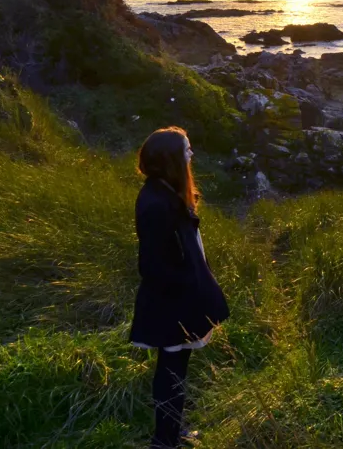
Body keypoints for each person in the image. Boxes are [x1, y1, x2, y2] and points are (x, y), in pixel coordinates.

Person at [130, 127, 229, 448]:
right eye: (186, 150)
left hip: (180, 300)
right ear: (170, 159)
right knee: (171, 371)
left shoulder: (166, 191)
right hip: (173, 304)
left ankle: (172, 431)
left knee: (176, 368)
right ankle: (165, 440)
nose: (191, 155)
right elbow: (152, 266)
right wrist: (187, 287)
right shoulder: (156, 203)